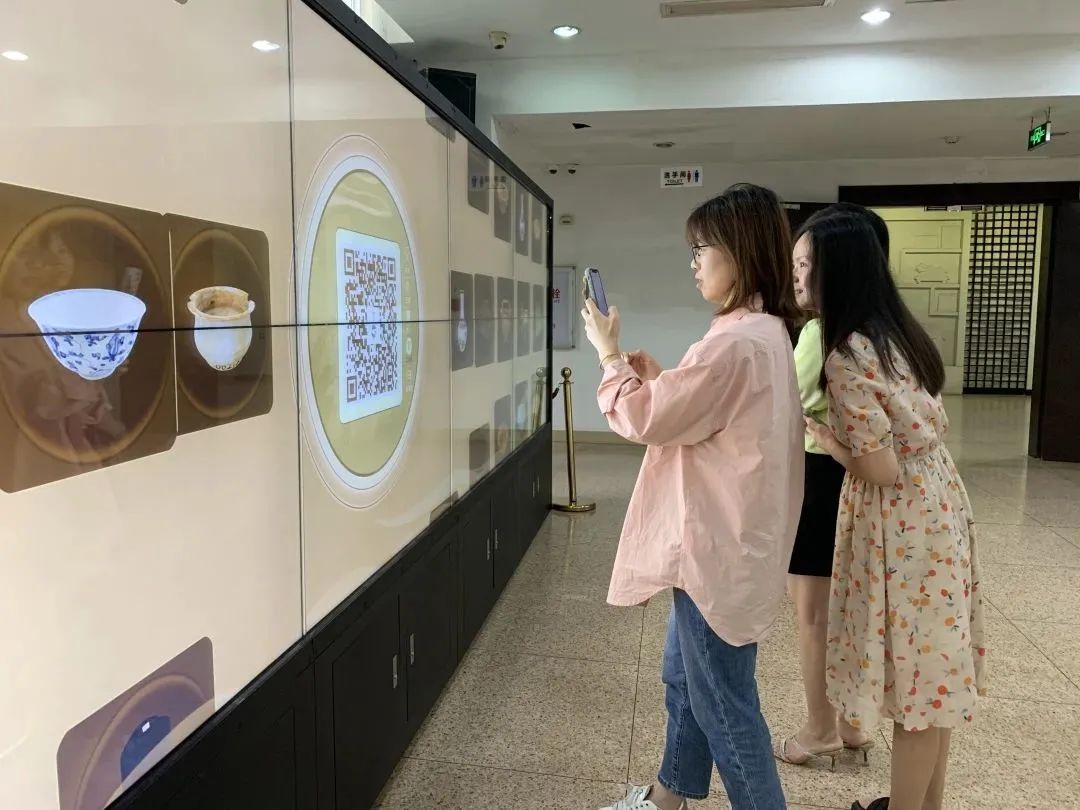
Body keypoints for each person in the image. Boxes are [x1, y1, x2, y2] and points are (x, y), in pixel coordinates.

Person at [581, 183, 803, 810]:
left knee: (726, 708)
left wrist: (608, 356)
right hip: (727, 542)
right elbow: (707, 415)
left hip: (715, 548)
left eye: (703, 249)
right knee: (684, 678)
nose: (695, 262)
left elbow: (644, 418)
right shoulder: (760, 331)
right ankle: (667, 795)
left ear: (740, 250)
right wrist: (660, 379)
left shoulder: (735, 341)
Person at [800, 208, 987, 810]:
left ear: (837, 272)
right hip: (939, 499)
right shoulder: (899, 333)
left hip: (899, 519)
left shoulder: (844, 355)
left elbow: (880, 468)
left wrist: (829, 441)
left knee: (913, 687)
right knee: (932, 680)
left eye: (805, 265)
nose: (796, 276)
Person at [774, 206, 889, 769]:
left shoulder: (821, 334)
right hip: (859, 481)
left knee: (812, 614)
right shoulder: (880, 332)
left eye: (804, 265)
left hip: (819, 478)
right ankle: (851, 722)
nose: (795, 276)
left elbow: (784, 405)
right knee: (847, 611)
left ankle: (820, 728)